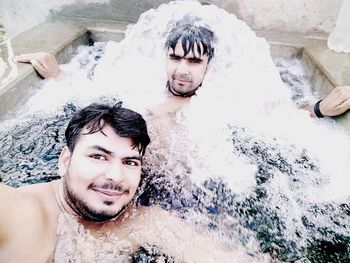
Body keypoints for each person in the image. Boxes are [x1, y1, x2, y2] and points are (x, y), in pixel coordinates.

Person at [0, 102, 260, 262]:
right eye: (98, 156)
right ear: (65, 161)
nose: (115, 176)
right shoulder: (22, 212)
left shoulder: (141, 222)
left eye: (130, 162)